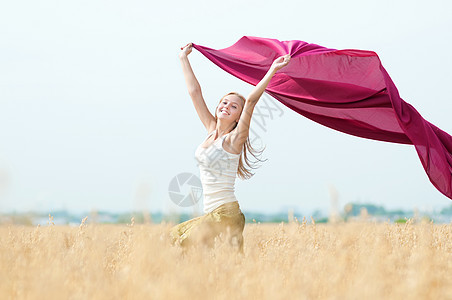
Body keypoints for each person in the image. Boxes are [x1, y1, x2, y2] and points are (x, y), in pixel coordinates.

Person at [170, 43, 290, 251]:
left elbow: (251, 101)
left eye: (234, 107)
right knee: (174, 240)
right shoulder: (210, 130)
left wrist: (272, 69)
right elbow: (195, 92)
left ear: (238, 117)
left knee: (185, 244)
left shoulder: (235, 139)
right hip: (211, 215)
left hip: (226, 214)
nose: (226, 107)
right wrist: (184, 58)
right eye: (224, 103)